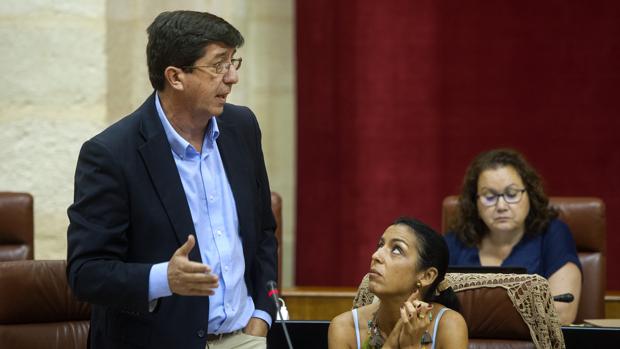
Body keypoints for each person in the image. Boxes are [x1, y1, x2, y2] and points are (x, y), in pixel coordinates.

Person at [66, 10, 277, 349]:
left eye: (234, 61)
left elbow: (264, 232)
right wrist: (163, 279)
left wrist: (263, 316)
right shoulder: (111, 154)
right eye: (219, 64)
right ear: (176, 76)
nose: (233, 77)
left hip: (244, 337)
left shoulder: (242, 128)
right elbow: (86, 273)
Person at [444, 148, 582, 324]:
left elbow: (562, 314)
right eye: (489, 196)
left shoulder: (553, 234)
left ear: (529, 195)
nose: (501, 205)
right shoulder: (456, 241)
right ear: (475, 202)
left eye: (511, 194)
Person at [329, 217, 468, 349]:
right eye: (380, 245)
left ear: (427, 276)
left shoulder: (450, 326)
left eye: (396, 250)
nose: (376, 256)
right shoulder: (344, 328)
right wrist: (394, 340)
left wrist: (411, 346)